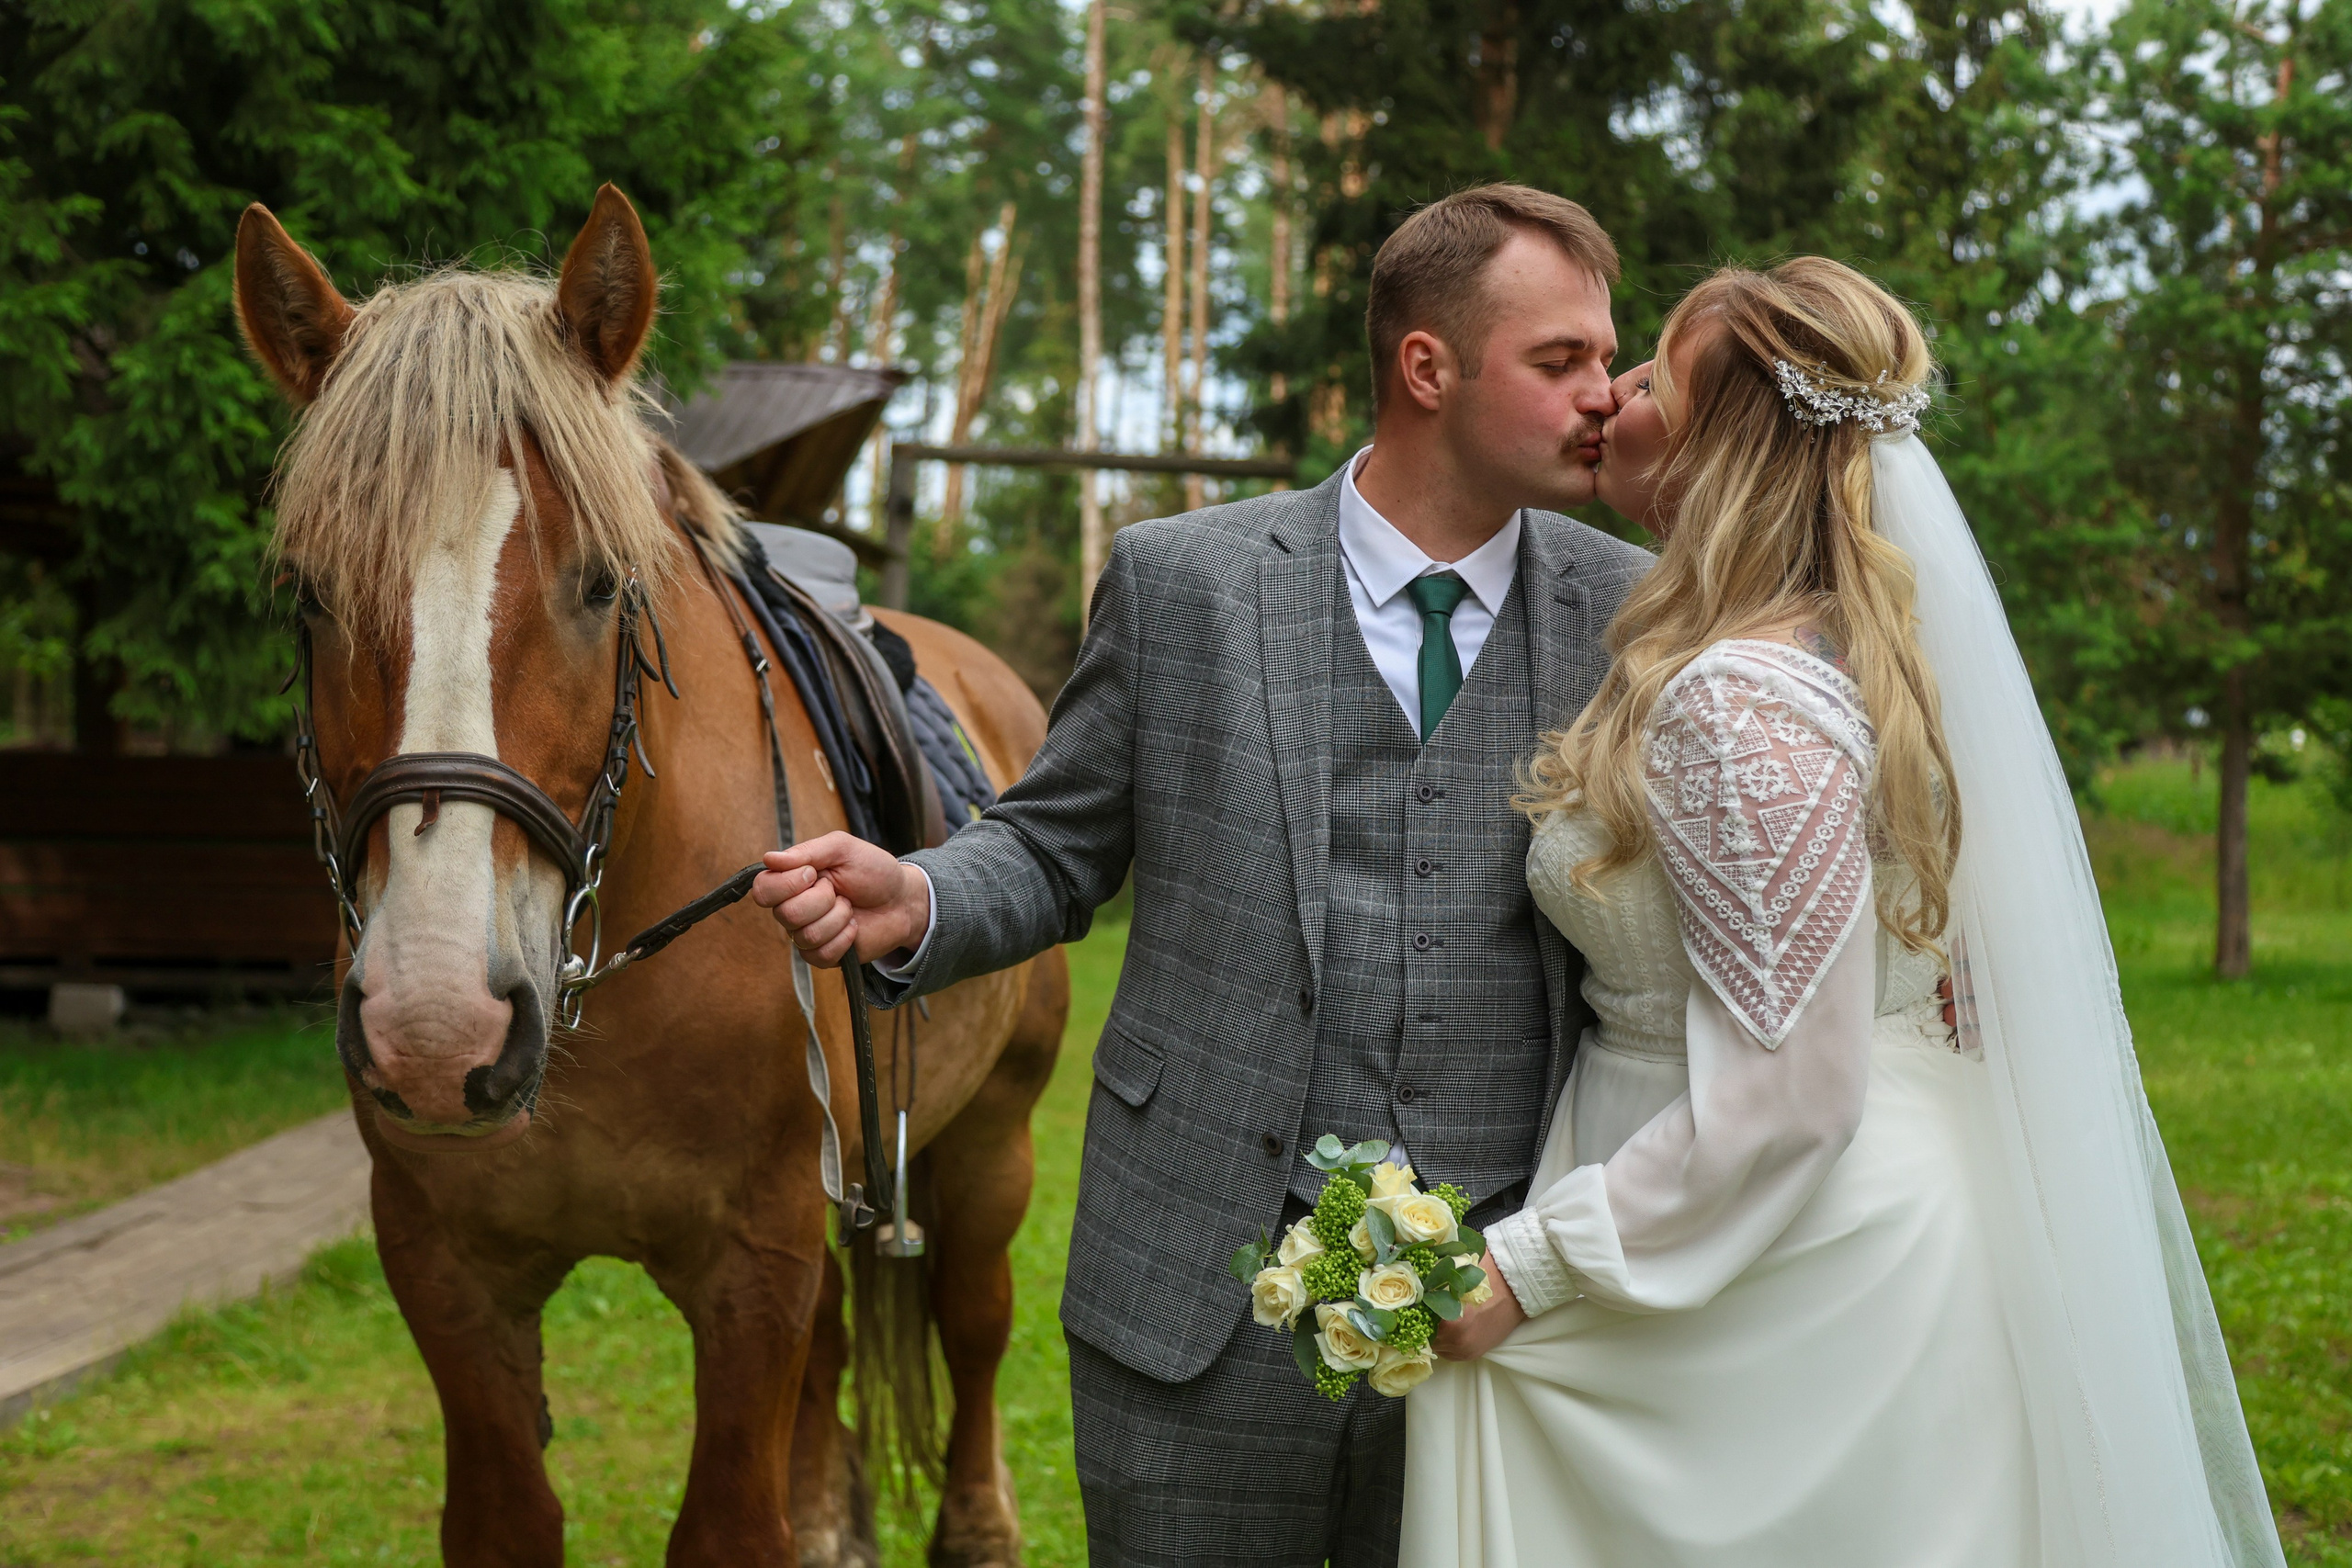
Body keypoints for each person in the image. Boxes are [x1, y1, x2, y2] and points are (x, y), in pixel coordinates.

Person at [752, 184, 1650, 1567]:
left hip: (1505, 1311)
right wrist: (922, 896)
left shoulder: (1626, 610)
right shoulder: (1186, 582)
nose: (1608, 395)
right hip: (1197, 1291)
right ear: (1428, 367)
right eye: (1563, 361)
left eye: (1607, 357)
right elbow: (1056, 845)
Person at [1405, 257, 2286, 1568]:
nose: (1615, 398)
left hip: (1783, 1255)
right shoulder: (1834, 649)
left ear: (1716, 447)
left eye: (1651, 375)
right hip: (1836, 1199)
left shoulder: (1737, 700)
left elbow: (1793, 1094)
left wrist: (1527, 1268)